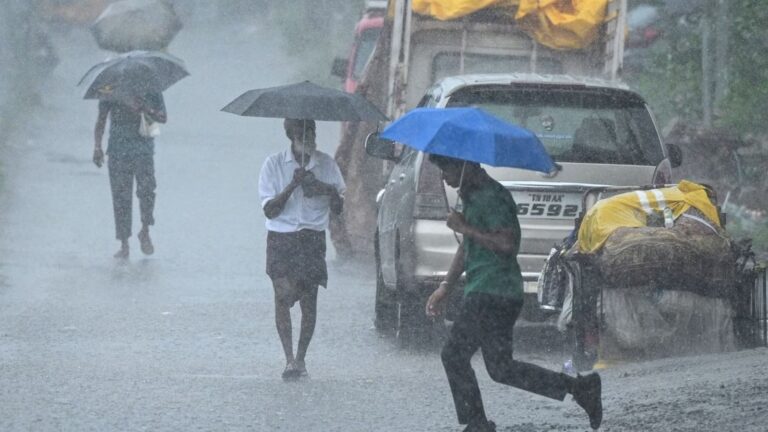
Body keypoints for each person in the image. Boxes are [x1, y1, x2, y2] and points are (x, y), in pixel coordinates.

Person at [424, 154, 602, 432]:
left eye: (447, 169)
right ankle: (580, 388)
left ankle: (478, 424)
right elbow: (467, 245)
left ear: (465, 166)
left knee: (454, 355)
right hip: (492, 291)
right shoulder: (472, 195)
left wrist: (464, 227)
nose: (443, 177)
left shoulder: (493, 197)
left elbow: (507, 244)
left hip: (493, 292)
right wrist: (446, 286)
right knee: (501, 368)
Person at [258, 118, 345, 380]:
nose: (308, 136)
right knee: (282, 296)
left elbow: (339, 209)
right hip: (281, 238)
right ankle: (287, 358)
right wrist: (293, 185)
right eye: (301, 131)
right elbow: (270, 210)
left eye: (312, 130)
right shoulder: (273, 165)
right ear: (290, 135)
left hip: (311, 238)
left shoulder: (327, 165)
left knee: (309, 300)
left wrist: (324, 189)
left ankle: (300, 359)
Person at [93, 92, 166, 259]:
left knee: (147, 191)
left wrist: (146, 109)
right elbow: (101, 119)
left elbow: (163, 117)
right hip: (118, 151)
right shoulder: (111, 90)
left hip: (144, 150)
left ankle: (145, 230)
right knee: (121, 197)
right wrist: (97, 146)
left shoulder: (151, 88)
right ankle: (124, 243)